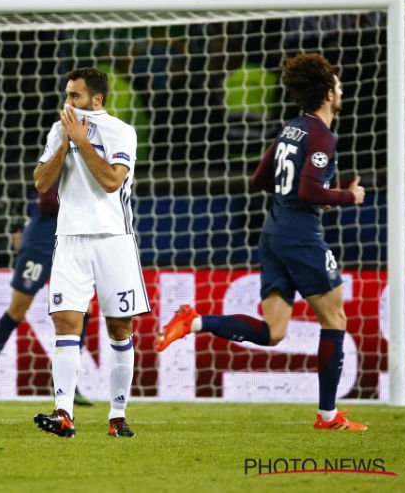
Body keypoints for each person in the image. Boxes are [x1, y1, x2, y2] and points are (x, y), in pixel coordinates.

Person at [156, 53, 367, 431]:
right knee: (335, 318)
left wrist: (292, 201)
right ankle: (328, 416)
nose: (340, 89)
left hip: (272, 233)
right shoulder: (322, 135)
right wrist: (347, 197)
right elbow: (307, 190)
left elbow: (260, 177)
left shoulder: (292, 128)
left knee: (274, 331)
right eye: (336, 84)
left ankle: (195, 321)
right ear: (326, 93)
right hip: (301, 237)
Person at [32, 67, 150, 438]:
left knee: (119, 328)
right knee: (66, 324)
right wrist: (65, 144)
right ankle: (63, 413)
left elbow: (112, 181)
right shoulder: (59, 130)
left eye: (75, 96)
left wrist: (82, 142)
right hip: (70, 239)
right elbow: (41, 182)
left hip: (114, 240)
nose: (68, 102)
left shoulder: (121, 131)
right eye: (67, 95)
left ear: (97, 99)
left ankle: (117, 416)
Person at [0, 181, 93, 408]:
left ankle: (68, 383)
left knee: (83, 308)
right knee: (18, 308)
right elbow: (46, 201)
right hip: (42, 241)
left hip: (71, 241)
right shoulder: (61, 155)